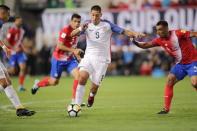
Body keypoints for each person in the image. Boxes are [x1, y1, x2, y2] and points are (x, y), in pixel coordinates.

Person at [71, 5, 145, 108]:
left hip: (102, 60)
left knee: (94, 88)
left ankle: (91, 96)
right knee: (82, 77)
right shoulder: (86, 24)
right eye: (92, 15)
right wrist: (80, 28)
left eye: (97, 15)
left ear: (101, 15)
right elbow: (72, 34)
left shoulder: (107, 25)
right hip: (89, 56)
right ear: (90, 14)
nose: (94, 17)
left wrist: (135, 34)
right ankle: (76, 105)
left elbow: (123, 31)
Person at [131, 20, 197, 114]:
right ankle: (166, 109)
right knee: (170, 80)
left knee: (195, 83)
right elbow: (145, 45)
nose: (158, 32)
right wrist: (133, 41)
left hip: (193, 62)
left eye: (160, 29)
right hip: (180, 64)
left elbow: (194, 34)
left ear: (166, 28)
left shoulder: (178, 33)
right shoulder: (159, 40)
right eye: (157, 30)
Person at [31, 14, 84, 104]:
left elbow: (73, 46)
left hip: (70, 60)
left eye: (78, 22)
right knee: (54, 82)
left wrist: (77, 56)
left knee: (78, 77)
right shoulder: (65, 30)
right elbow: (59, 46)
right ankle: (38, 84)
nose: (77, 23)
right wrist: (74, 50)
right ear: (71, 21)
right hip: (58, 60)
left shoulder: (78, 32)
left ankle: (74, 101)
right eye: (75, 21)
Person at [0, 5, 35, 116]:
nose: (9, 16)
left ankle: (19, 108)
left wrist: (5, 47)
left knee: (8, 80)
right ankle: (19, 108)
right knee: (4, 82)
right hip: (13, 53)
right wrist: (6, 47)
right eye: (8, 13)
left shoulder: (3, 24)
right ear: (2, 13)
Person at [1, 16, 27, 91]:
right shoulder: (12, 30)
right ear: (15, 22)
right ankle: (2, 72)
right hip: (13, 53)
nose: (20, 22)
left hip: (20, 52)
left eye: (21, 21)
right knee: (13, 71)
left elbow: (20, 41)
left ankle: (21, 86)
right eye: (18, 21)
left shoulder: (22, 31)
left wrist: (23, 47)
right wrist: (14, 48)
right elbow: (6, 41)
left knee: (23, 67)